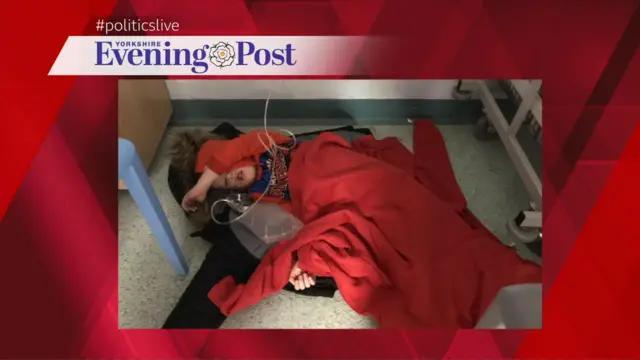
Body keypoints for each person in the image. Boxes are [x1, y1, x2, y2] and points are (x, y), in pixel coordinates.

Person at [180, 129, 316, 291]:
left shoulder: (264, 145)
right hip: (320, 194)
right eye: (224, 182)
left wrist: (201, 186)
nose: (230, 177)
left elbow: (237, 147)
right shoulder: (259, 195)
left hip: (319, 161)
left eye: (225, 168)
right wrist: (304, 260)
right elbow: (299, 219)